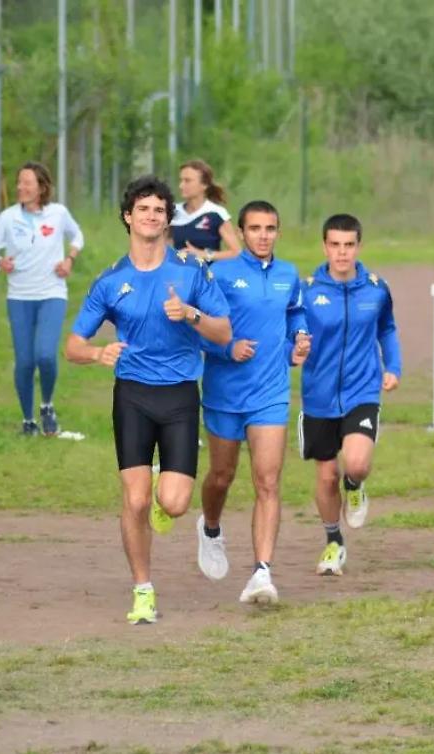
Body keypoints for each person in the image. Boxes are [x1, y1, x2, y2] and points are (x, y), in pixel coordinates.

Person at [64, 175, 232, 625]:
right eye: (143, 210)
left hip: (179, 396)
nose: (152, 216)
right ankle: (143, 589)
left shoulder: (190, 272)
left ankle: (164, 493)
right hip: (133, 396)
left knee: (173, 503)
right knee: (134, 501)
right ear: (128, 217)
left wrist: (191, 315)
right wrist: (98, 352)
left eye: (159, 210)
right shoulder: (111, 281)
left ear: (167, 218)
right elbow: (73, 345)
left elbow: (224, 331)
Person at [183, 200, 310, 605]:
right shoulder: (219, 274)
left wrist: (298, 342)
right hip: (225, 393)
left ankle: (262, 572)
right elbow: (198, 329)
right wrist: (227, 349)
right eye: (254, 229)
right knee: (221, 476)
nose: (263, 236)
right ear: (240, 232)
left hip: (271, 394)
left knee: (268, 481)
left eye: (270, 229)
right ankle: (212, 527)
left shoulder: (289, 275)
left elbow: (296, 315)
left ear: (278, 232)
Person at [299, 214, 401, 577]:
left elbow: (387, 329)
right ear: (325, 246)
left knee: (354, 464)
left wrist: (394, 367)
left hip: (362, 390)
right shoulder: (307, 290)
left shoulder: (376, 288)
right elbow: (290, 336)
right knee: (326, 476)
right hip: (319, 397)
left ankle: (355, 485)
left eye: (349, 245)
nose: (342, 252)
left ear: (359, 246)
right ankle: (333, 542)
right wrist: (294, 350)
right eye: (335, 245)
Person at [0, 161, 84, 436]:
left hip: (52, 294)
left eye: (27, 183)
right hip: (19, 297)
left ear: (42, 187)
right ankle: (28, 421)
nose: (21, 187)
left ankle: (46, 405)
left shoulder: (58, 214)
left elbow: (78, 235)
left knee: (45, 355)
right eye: (19, 182)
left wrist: (69, 259)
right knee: (24, 361)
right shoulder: (8, 218)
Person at [170, 159, 240, 263]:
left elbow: (236, 253)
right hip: (178, 277)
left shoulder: (216, 213)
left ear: (204, 185)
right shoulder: (172, 211)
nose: (181, 185)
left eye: (187, 181)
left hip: (208, 276)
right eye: (181, 180)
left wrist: (202, 254)